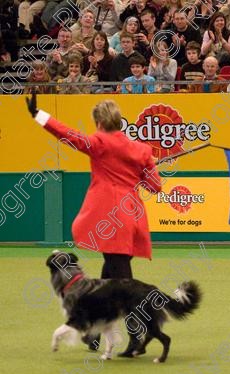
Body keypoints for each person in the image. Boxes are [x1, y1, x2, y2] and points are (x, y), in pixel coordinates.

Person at [24, 92, 161, 279]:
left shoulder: (99, 143)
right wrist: (147, 168)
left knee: (118, 268)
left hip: (110, 213)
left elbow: (68, 135)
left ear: (99, 123)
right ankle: (103, 306)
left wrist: (38, 115)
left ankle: (128, 307)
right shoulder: (142, 150)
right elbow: (155, 187)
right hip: (132, 213)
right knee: (116, 262)